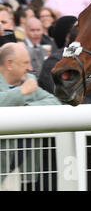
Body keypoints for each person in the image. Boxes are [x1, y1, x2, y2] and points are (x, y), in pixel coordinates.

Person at [0, 42, 61, 191]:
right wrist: (20, 93)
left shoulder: (27, 82)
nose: (30, 68)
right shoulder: (26, 86)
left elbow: (55, 103)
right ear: (9, 64)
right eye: (25, 63)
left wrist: (27, 108)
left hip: (20, 169)